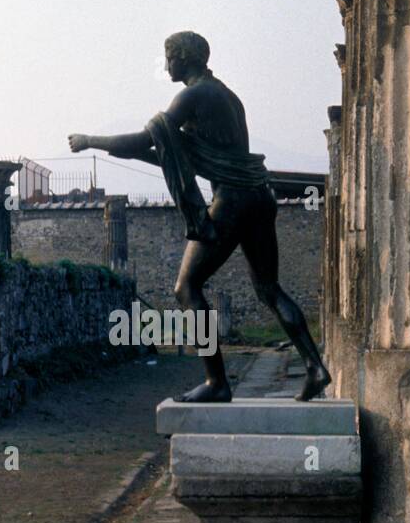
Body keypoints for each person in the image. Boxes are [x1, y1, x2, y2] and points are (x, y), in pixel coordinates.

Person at [70, 31, 331, 403]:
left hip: (234, 198)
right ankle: (315, 367)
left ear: (185, 58)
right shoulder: (227, 96)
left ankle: (216, 382)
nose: (165, 66)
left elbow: (144, 142)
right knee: (269, 289)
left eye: (169, 58)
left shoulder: (192, 96)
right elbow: (172, 153)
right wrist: (143, 149)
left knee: (186, 289)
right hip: (260, 193)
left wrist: (91, 141)